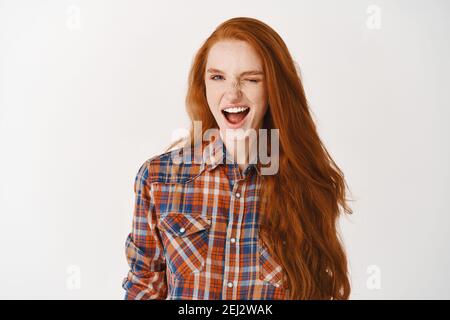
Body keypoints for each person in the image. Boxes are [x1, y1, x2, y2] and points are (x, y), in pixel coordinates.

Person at [122, 16, 353, 300]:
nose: (232, 94)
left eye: (251, 79)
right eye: (218, 77)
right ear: (203, 84)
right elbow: (143, 286)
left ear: (274, 90)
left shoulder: (307, 182)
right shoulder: (159, 177)